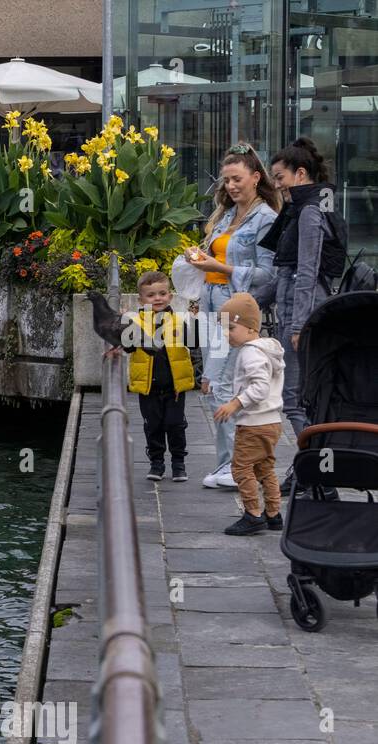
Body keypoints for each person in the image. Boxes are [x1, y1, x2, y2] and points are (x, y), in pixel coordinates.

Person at [186, 143, 280, 489]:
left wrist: (219, 266)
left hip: (234, 307)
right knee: (215, 384)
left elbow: (268, 274)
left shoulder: (267, 218)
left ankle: (234, 465)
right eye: (226, 180)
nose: (230, 186)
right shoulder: (227, 215)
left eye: (237, 179)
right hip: (212, 301)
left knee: (221, 383)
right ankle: (232, 462)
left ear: (256, 178)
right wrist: (199, 261)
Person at [260, 137, 342, 439]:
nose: (278, 185)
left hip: (301, 314)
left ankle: (317, 469)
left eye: (280, 177)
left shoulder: (309, 212)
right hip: (297, 311)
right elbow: (286, 273)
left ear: (301, 174)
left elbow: (307, 271)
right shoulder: (306, 207)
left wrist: (298, 328)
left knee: (293, 399)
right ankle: (313, 469)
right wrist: (247, 302)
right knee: (299, 398)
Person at [89, 271, 205, 483]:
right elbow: (131, 347)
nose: (158, 298)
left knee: (175, 425)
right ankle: (156, 463)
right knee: (153, 426)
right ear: (141, 300)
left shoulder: (179, 322)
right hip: (148, 386)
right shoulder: (135, 322)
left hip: (175, 387)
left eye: (162, 293)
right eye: (151, 295)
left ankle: (179, 464)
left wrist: (196, 321)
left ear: (170, 296)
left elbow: (194, 343)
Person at [212, 293, 285, 535]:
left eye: (231, 327)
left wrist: (235, 403)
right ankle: (274, 514)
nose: (226, 334)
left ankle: (253, 514)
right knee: (264, 467)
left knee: (240, 468)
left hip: (254, 423)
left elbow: (260, 387)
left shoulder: (250, 352)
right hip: (272, 421)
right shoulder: (266, 348)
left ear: (251, 327)